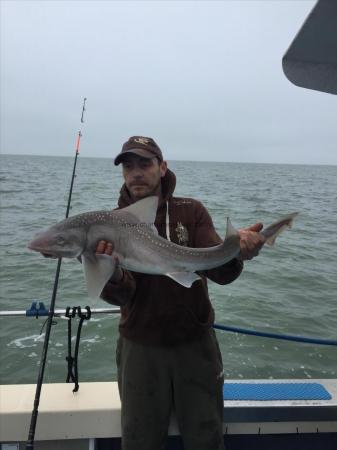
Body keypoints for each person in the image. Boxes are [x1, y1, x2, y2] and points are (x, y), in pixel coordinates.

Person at [97, 136, 265, 450]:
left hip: (195, 345)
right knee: (139, 441)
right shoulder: (110, 224)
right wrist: (111, 270)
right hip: (140, 347)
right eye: (128, 166)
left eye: (144, 164)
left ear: (162, 167)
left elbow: (220, 273)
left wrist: (237, 253)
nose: (136, 172)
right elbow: (121, 296)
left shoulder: (191, 211)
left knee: (206, 439)